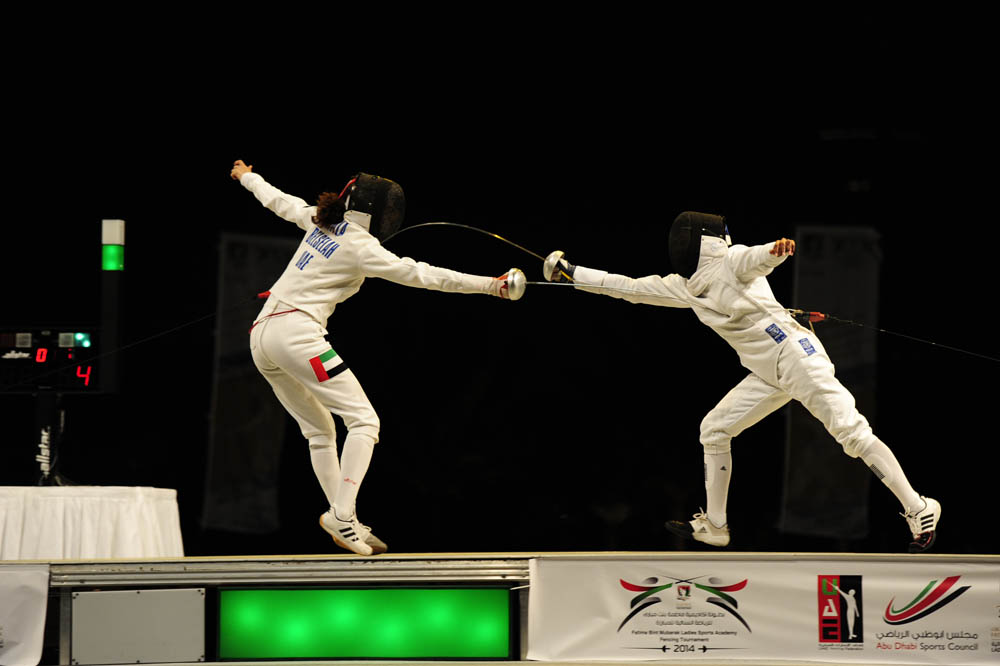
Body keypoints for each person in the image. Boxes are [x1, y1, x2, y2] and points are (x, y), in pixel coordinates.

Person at [542, 211, 940, 553]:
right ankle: (716, 526)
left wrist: (774, 251)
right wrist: (573, 274)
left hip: (797, 357)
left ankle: (919, 507)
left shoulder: (732, 260)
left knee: (851, 434)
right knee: (714, 429)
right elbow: (627, 288)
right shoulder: (685, 287)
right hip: (769, 372)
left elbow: (755, 259)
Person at [231, 159, 522, 555]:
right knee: (364, 421)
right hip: (296, 336)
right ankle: (341, 514)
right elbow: (424, 274)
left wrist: (248, 176)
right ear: (376, 212)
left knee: (320, 432)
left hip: (262, 336)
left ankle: (344, 519)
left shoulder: (320, 220)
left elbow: (280, 201)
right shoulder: (361, 246)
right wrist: (491, 285)